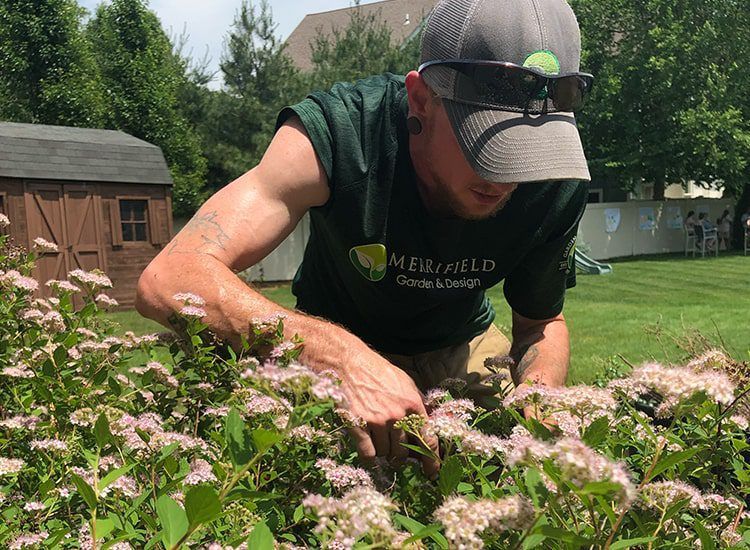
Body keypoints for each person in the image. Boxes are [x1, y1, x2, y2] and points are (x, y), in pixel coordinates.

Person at [136, 0, 593, 474]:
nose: (506, 177)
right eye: (486, 141)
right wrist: (341, 359)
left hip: (461, 344)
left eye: (529, 149)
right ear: (421, 99)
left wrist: (541, 391)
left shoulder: (555, 176)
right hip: (329, 340)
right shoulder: (339, 133)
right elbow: (171, 276)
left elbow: (541, 322)